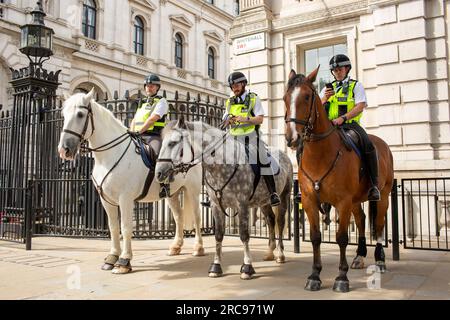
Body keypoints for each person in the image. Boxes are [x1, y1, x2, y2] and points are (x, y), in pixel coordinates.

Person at [319, 54, 380, 201]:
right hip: (330, 127)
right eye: (334, 70)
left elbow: (360, 106)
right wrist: (323, 99)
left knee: (368, 144)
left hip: (350, 125)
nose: (337, 72)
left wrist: (343, 118)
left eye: (339, 69)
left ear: (347, 69)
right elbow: (317, 109)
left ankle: (374, 185)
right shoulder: (327, 89)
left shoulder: (355, 85)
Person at [222, 71, 281, 207]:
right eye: (232, 86)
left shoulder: (254, 98)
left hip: (251, 138)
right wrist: (228, 120)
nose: (234, 88)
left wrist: (246, 119)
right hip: (233, 139)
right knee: (218, 158)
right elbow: (224, 119)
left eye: (237, 84)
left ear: (243, 84)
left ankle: (273, 193)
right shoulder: (229, 102)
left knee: (263, 159)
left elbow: (260, 119)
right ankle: (215, 194)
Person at [130, 73, 170, 198]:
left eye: (152, 86)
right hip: (137, 135)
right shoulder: (142, 103)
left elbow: (153, 119)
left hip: (154, 136)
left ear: (157, 88)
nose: (149, 88)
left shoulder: (161, 101)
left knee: (158, 154)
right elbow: (135, 119)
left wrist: (139, 131)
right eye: (147, 85)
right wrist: (131, 132)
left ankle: (164, 184)